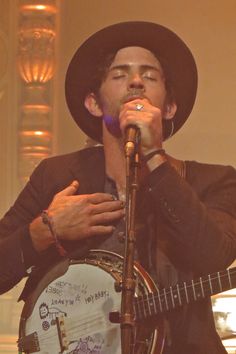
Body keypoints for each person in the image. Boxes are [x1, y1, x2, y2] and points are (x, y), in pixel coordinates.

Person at [0, 21, 236, 354]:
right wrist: (44, 231)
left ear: (168, 108)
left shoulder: (214, 181)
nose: (137, 82)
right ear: (94, 103)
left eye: (150, 76)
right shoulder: (56, 175)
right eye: (120, 74)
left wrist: (153, 155)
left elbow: (213, 256)